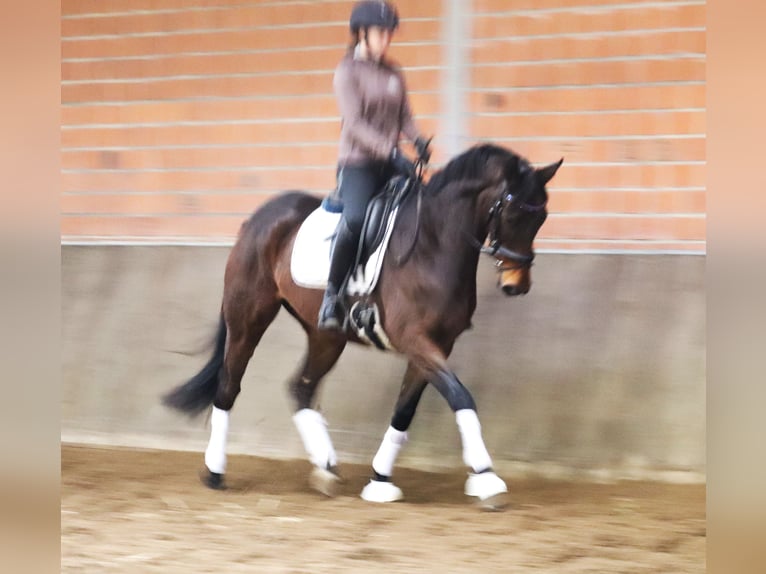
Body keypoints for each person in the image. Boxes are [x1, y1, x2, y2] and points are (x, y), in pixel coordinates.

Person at [318, 0, 431, 331]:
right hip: (358, 164)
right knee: (354, 220)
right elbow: (354, 124)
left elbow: (405, 117)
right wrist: (391, 151)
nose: (386, 39)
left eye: (389, 33)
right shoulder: (347, 72)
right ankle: (332, 296)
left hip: (391, 161)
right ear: (362, 33)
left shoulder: (394, 72)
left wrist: (419, 141)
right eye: (381, 32)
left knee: (424, 206)